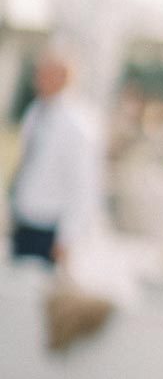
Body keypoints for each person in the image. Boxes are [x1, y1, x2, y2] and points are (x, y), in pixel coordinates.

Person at [8, 48, 104, 267]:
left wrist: (68, 237)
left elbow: (83, 184)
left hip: (50, 224)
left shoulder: (77, 124)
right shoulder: (36, 112)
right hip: (25, 216)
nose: (37, 80)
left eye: (44, 74)